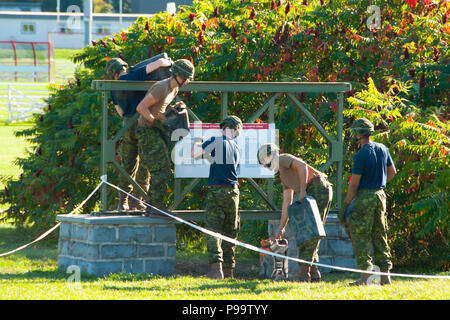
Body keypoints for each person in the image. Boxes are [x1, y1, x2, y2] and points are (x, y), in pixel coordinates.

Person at [257, 143, 333, 282]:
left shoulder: (283, 159)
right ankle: (314, 273)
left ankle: (304, 274)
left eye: (263, 161)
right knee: (311, 233)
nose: (264, 166)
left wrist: (303, 191)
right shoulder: (284, 176)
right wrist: (281, 229)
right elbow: (287, 202)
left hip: (318, 187)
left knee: (309, 233)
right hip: (313, 190)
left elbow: (302, 165)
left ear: (269, 155)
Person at [105, 56, 173, 211]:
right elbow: (160, 63)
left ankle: (123, 201)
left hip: (127, 125)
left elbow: (120, 112)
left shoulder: (113, 88)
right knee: (145, 164)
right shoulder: (135, 75)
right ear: (123, 68)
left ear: (113, 74)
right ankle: (139, 200)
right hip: (143, 123)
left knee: (128, 164)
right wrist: (170, 62)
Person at [136, 59, 195, 217]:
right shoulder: (162, 87)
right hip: (147, 131)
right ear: (178, 75)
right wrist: (156, 122)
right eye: (186, 77)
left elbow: (159, 108)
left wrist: (174, 109)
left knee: (161, 168)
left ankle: (151, 206)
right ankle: (156, 206)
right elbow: (141, 108)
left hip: (155, 130)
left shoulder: (174, 89)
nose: (188, 81)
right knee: (161, 169)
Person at [341, 118, 396, 286]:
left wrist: (345, 206)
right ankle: (386, 277)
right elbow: (392, 172)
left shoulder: (361, 155)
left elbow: (354, 185)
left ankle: (365, 278)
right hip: (381, 196)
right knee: (380, 234)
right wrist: (379, 183)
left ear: (358, 134)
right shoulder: (383, 148)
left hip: (365, 197)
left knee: (360, 236)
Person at [191, 116, 242, 279]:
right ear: (236, 130)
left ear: (224, 128)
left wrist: (198, 141)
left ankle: (215, 270)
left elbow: (195, 154)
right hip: (233, 193)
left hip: (216, 191)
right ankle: (229, 272)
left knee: (213, 230)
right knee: (230, 232)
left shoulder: (215, 140)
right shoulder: (236, 147)